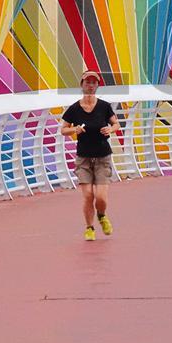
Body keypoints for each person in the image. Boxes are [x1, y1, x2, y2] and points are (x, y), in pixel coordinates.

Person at [60, 70, 120, 241]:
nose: (91, 85)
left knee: (100, 197)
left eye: (94, 82)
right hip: (84, 158)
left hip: (102, 156)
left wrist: (110, 129)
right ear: (82, 84)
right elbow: (63, 130)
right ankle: (89, 227)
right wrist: (75, 129)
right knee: (88, 195)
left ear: (97, 86)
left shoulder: (104, 106)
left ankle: (101, 215)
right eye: (88, 82)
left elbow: (116, 124)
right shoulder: (74, 109)